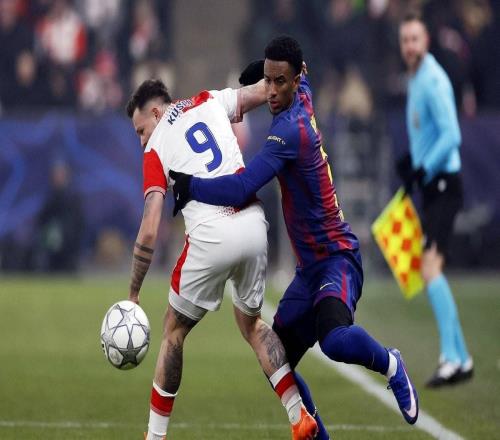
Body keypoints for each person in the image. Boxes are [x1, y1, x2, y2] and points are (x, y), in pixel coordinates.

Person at [170, 35, 420, 438]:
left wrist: (189, 187)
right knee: (277, 361)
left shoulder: (290, 131)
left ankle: (392, 364)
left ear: (295, 80)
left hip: (336, 258)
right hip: (308, 271)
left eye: (278, 82)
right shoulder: (301, 91)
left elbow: (242, 187)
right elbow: (298, 69)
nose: (270, 91)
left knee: (334, 341)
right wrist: (265, 69)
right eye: (267, 81)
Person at [125, 79, 317, 440]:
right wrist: (290, 76)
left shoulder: (155, 148)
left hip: (211, 236)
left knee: (173, 331)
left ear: (156, 112)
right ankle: (298, 414)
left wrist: (134, 292)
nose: (141, 140)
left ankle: (154, 437)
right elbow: (263, 91)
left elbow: (150, 228)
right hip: (253, 226)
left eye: (140, 130)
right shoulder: (208, 100)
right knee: (253, 325)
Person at [397, 12, 473, 388]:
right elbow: (428, 133)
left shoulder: (433, 80)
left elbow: (452, 135)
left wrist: (422, 168)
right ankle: (462, 357)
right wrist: (413, 164)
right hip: (432, 185)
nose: (410, 46)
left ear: (426, 42)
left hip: (444, 184)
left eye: (415, 39)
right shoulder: (415, 78)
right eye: (405, 40)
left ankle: (451, 359)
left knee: (430, 269)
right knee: (430, 271)